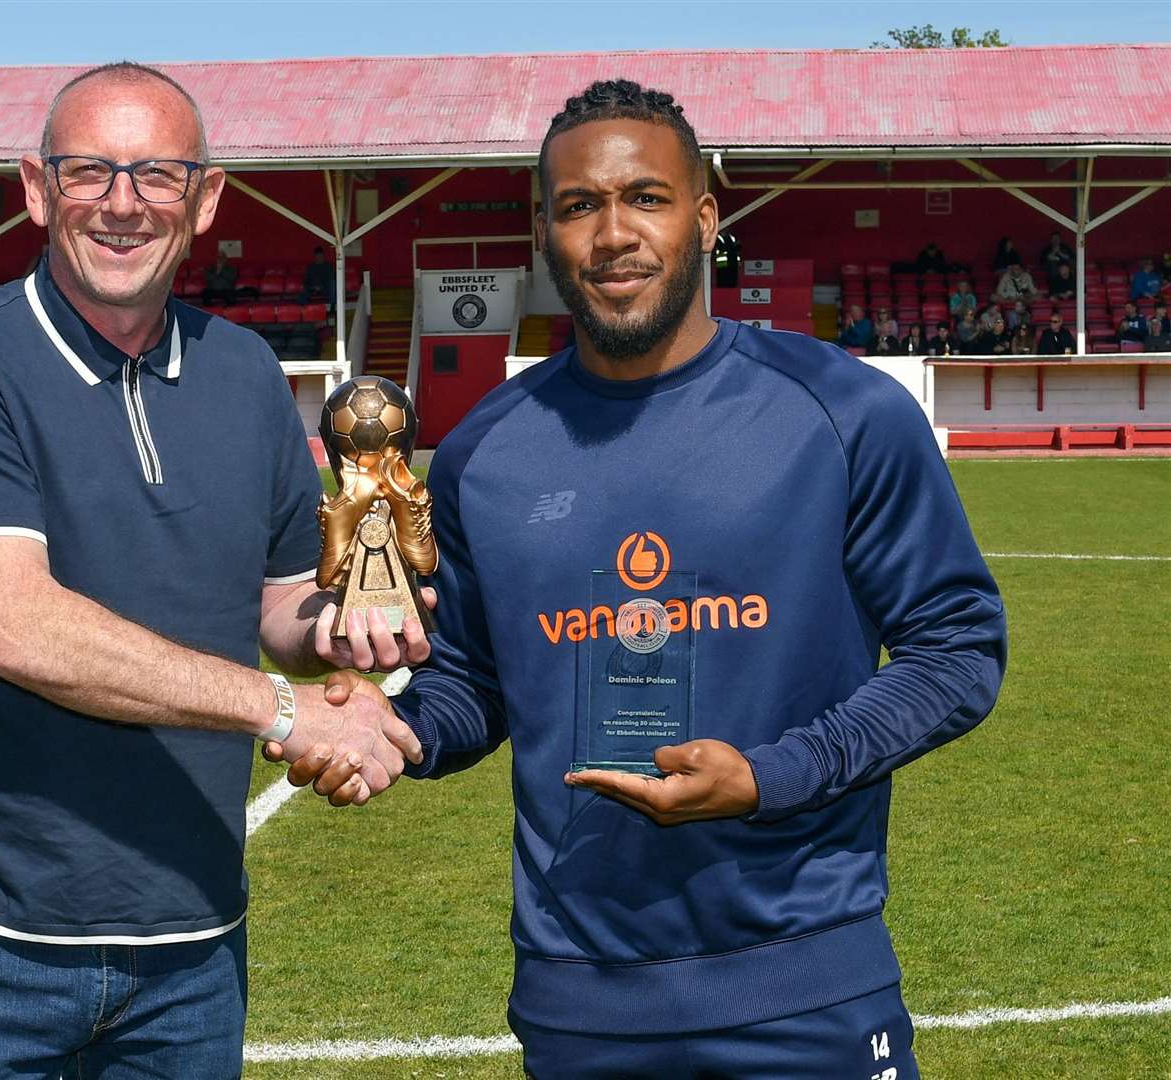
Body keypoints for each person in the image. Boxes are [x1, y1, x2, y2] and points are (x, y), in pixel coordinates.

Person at [280, 78, 1004, 1080]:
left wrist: (768, 776)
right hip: (580, 998)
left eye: (646, 198)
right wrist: (395, 728)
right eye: (579, 206)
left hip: (806, 984)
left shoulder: (843, 413)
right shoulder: (486, 452)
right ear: (545, 233)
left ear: (706, 215)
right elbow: (475, 682)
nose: (613, 233)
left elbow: (959, 651)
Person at [0, 61, 429, 1079]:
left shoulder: (248, 373)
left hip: (193, 950)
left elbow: (272, 602)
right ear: (38, 191)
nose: (122, 205)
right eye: (90, 172)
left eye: (157, 176)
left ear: (206, 200)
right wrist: (292, 712)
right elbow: (19, 629)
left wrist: (353, 620)